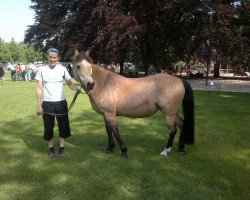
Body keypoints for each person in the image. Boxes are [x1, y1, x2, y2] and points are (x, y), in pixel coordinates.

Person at [35, 48, 81, 159]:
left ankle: (61, 149)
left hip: (61, 103)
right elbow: (39, 88)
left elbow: (70, 84)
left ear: (58, 58)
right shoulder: (41, 69)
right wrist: (38, 105)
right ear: (47, 57)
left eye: (54, 57)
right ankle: (51, 150)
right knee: (48, 128)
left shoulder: (62, 69)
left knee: (63, 127)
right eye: (50, 57)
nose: (52, 59)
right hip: (47, 103)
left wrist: (77, 89)